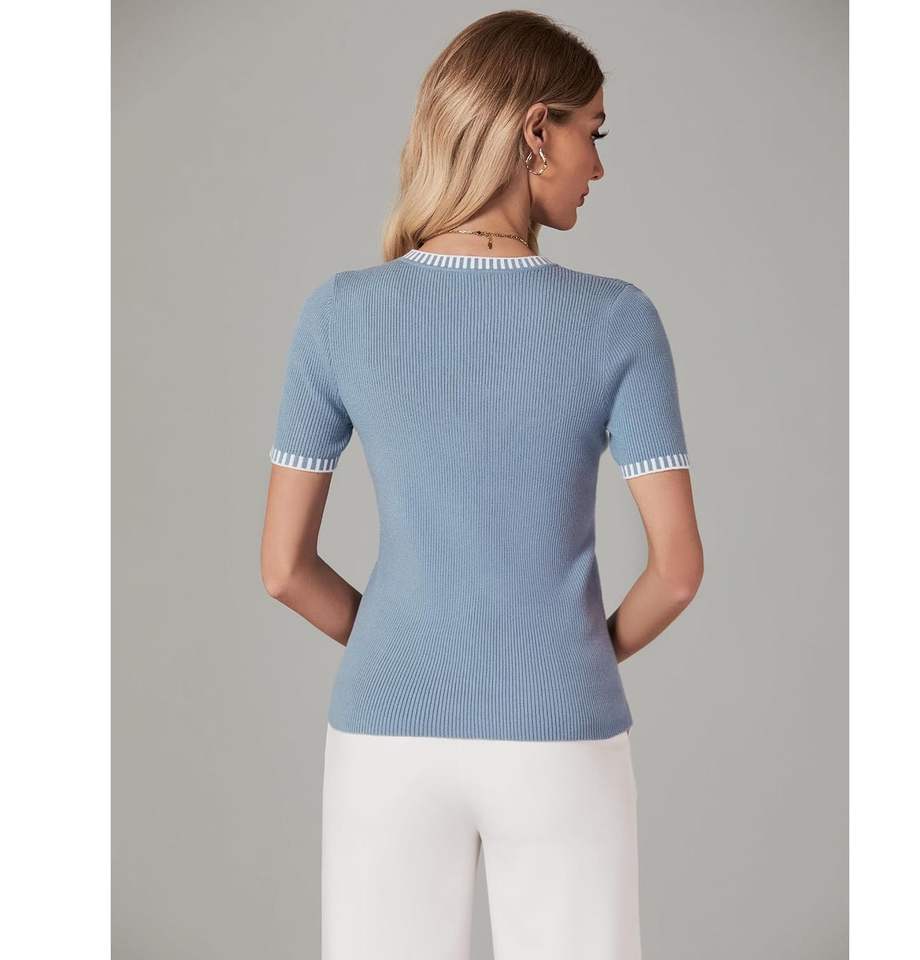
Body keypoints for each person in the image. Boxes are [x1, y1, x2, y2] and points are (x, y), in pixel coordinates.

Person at [260, 10, 704, 959]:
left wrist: (405, 646)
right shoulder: (618, 320)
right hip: (562, 738)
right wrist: (566, 659)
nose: (598, 164)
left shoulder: (340, 315)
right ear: (537, 129)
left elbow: (283, 569)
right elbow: (677, 572)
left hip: (384, 735)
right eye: (593, 131)